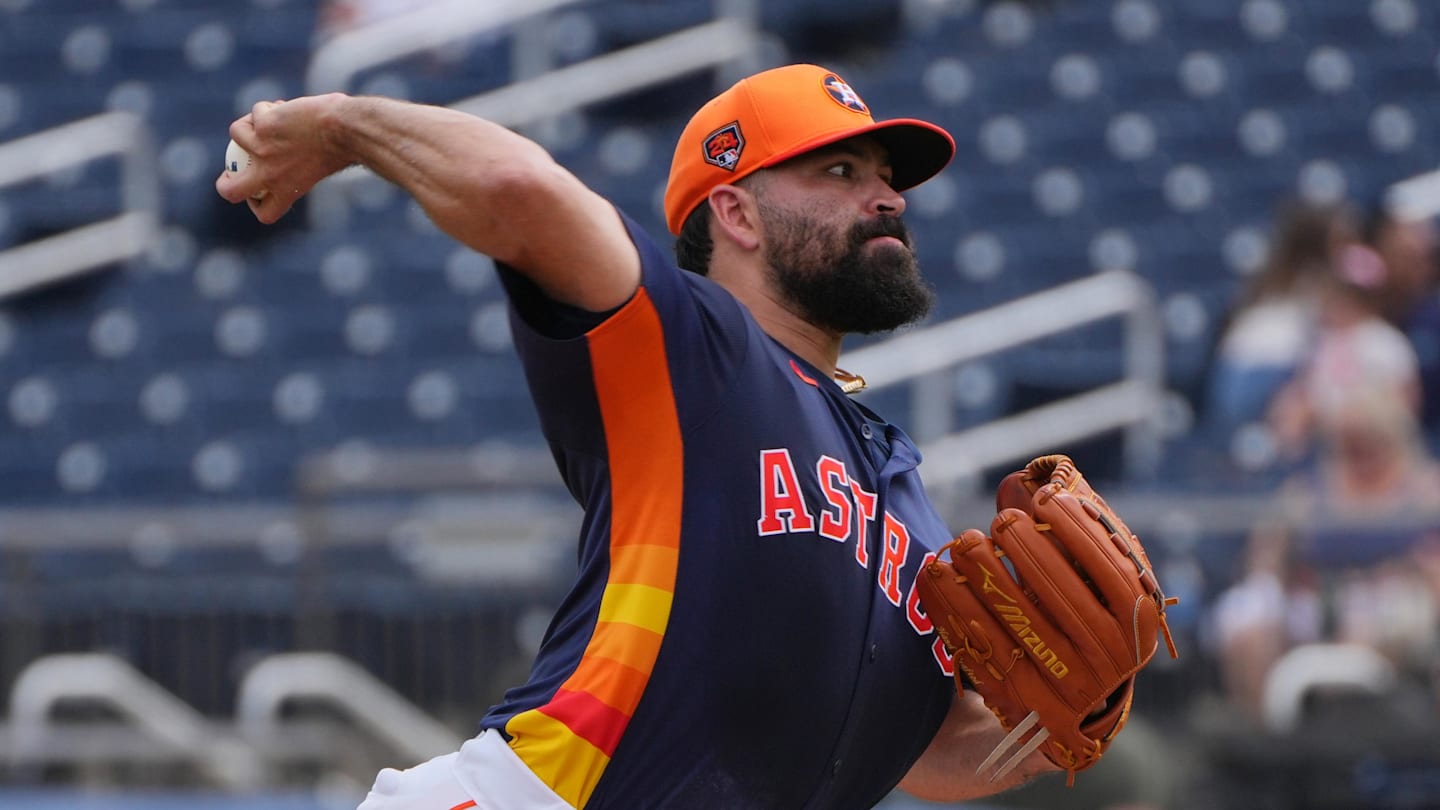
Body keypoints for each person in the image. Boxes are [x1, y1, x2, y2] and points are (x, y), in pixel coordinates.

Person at [217, 64, 1061, 808]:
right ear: (737, 213)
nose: (887, 198)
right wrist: (342, 125)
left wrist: (1059, 720)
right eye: (840, 170)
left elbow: (925, 754)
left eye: (885, 177)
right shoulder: (690, 348)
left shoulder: (900, 482)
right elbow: (521, 190)